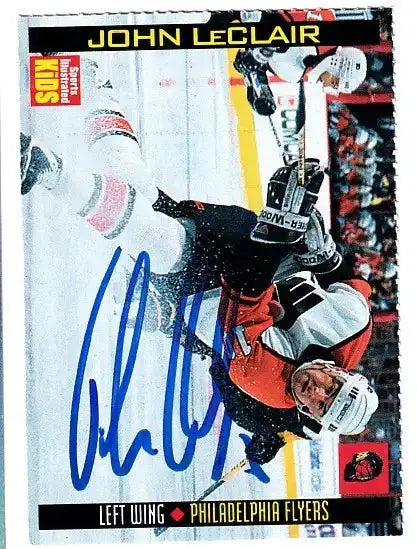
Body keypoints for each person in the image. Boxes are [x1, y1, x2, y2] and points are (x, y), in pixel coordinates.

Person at [20, 64, 378, 466]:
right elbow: (346, 278)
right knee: (141, 206)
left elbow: (242, 291)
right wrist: (323, 254)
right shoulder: (353, 323)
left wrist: (278, 233)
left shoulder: (265, 383)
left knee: (151, 225)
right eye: (331, 388)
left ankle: (53, 162)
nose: (315, 392)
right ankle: (73, 130)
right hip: (241, 244)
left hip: (208, 296)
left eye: (319, 406)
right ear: (340, 372)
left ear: (311, 415)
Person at [233, 45, 367, 116]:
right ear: (338, 65)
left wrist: (262, 92)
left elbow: (260, 68)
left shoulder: (297, 74)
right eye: (334, 82)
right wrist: (257, 53)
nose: (327, 84)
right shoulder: (318, 30)